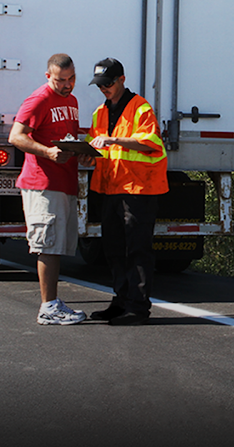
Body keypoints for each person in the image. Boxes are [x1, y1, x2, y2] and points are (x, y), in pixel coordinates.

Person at [86, 58, 168, 326]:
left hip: (138, 189)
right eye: (100, 85)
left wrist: (113, 140)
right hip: (110, 187)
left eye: (108, 84)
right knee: (113, 249)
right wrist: (86, 154)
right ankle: (121, 301)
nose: (104, 89)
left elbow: (150, 143)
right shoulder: (100, 112)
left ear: (121, 80)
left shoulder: (140, 107)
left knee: (137, 250)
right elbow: (94, 145)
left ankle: (138, 307)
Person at [8, 54, 86, 325]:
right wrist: (47, 152)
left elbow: (67, 139)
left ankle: (53, 303)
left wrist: (82, 154)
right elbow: (16, 136)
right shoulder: (39, 99)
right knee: (48, 246)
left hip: (64, 182)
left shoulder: (72, 101)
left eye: (71, 78)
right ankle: (48, 308)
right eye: (61, 80)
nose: (67, 84)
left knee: (57, 246)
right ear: (48, 76)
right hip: (42, 183)